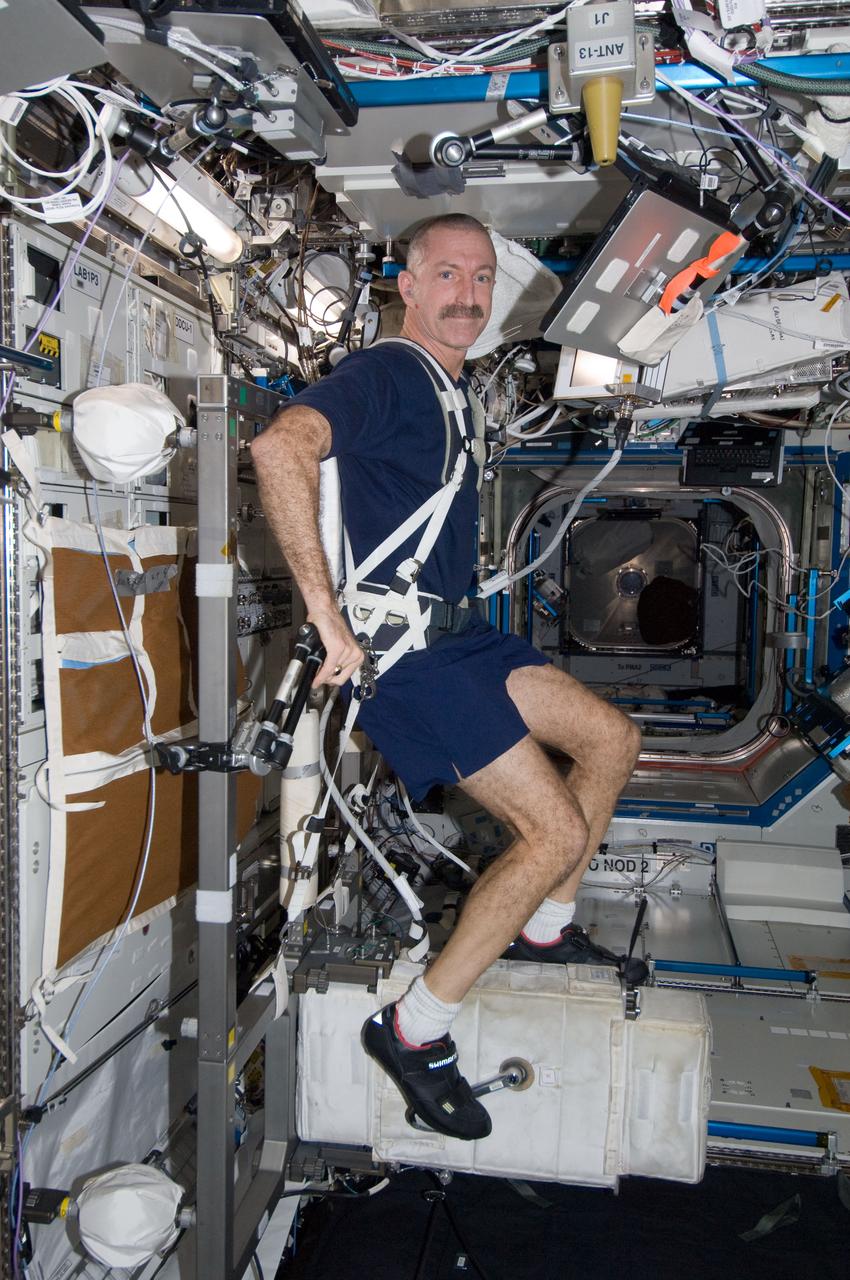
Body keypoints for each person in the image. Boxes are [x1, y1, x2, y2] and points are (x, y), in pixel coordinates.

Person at [251, 213, 643, 1142]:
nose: (467, 295)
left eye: (481, 278)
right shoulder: (389, 374)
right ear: (408, 284)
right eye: (447, 275)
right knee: (552, 830)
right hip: (408, 659)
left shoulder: (452, 389)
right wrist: (323, 612)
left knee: (612, 739)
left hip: (461, 637)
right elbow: (279, 447)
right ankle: (414, 1029)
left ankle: (543, 929)